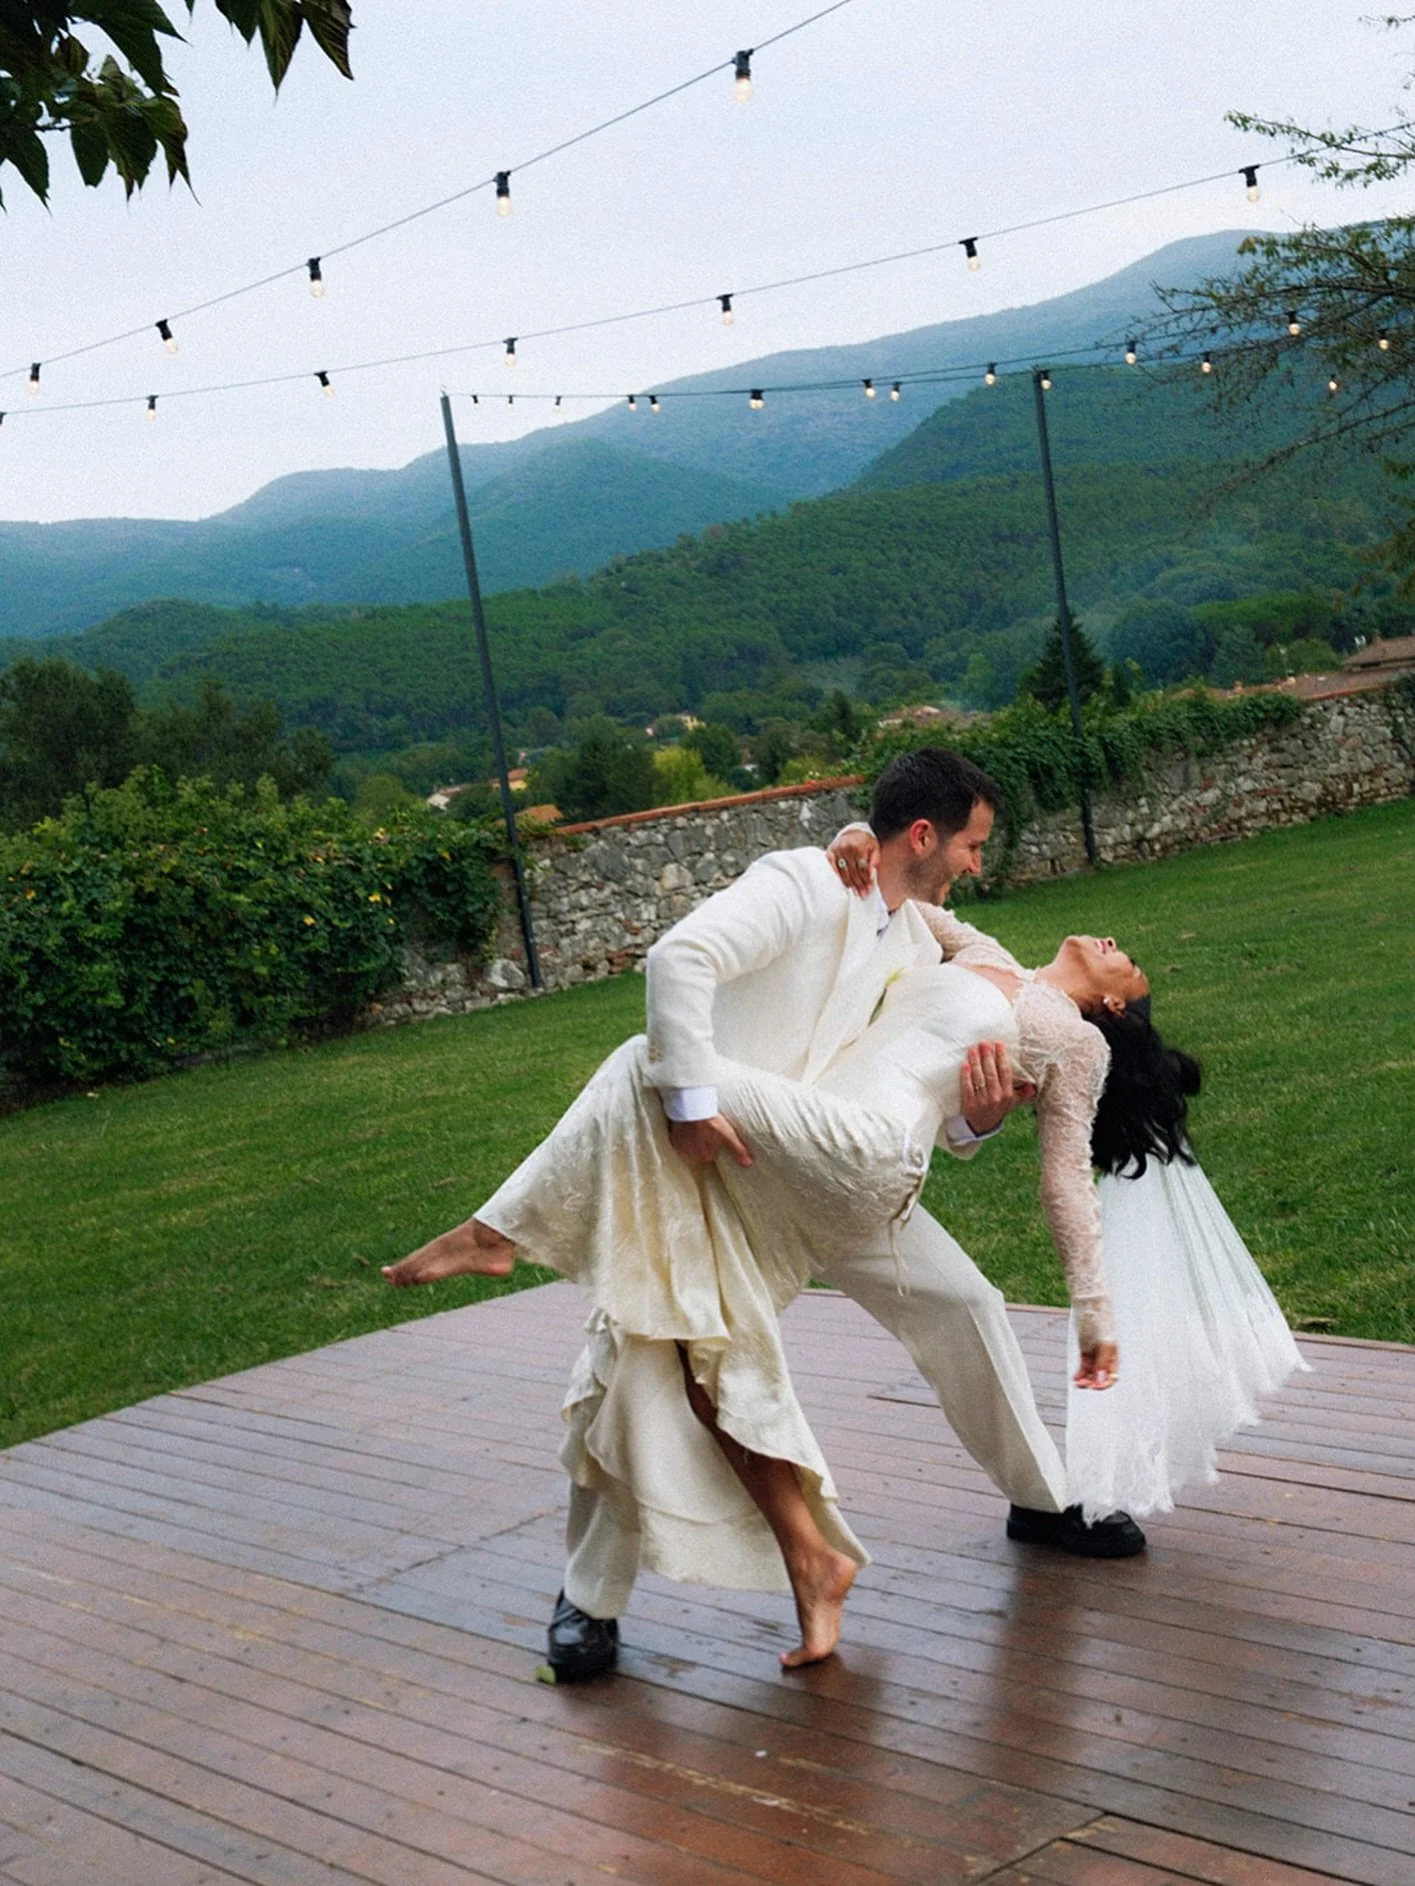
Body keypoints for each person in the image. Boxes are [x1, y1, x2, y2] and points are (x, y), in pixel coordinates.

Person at [386, 750, 1150, 1677]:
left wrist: (980, 1118)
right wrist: (691, 1098)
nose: (976, 863)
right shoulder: (809, 881)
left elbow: (945, 1094)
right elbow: (683, 959)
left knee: (965, 1305)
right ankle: (588, 1604)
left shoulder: (918, 939)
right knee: (639, 1350)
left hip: (845, 1166)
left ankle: (1044, 1499)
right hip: (738, 1166)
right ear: (921, 835)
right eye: (972, 844)